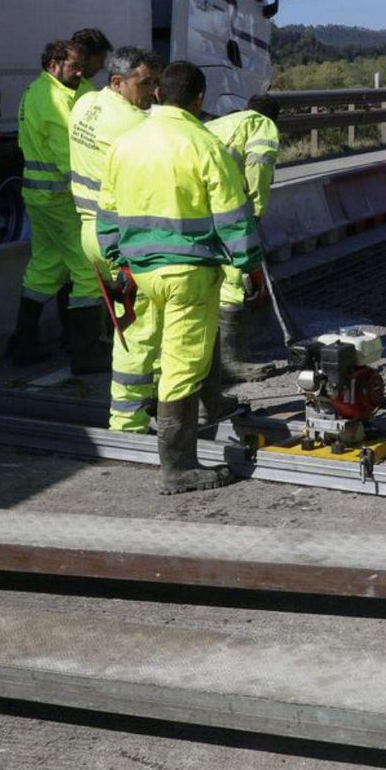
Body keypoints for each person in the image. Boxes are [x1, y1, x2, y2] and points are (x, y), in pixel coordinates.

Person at [97, 61, 265, 494]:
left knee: (147, 349)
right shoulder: (205, 145)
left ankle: (148, 429)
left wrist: (119, 260)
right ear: (199, 98)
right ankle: (177, 466)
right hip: (188, 274)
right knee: (182, 365)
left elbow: (107, 212)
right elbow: (233, 215)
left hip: (140, 271)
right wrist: (249, 265)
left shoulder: (126, 144)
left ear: (157, 94)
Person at [69, 47, 161, 431]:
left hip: (91, 230)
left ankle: (150, 397)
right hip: (121, 236)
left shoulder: (85, 104)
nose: (154, 93)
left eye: (156, 83)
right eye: (145, 84)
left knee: (135, 319)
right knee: (142, 328)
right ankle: (128, 418)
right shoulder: (133, 126)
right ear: (118, 82)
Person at [6, 39, 106, 371]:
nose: (81, 71)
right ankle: (87, 354)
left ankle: (24, 346)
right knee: (87, 270)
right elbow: (70, 154)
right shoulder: (51, 100)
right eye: (74, 66)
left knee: (45, 268)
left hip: (40, 198)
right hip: (62, 199)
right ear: (53, 66)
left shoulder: (39, 92)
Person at [206, 95, 282, 381]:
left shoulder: (223, 122)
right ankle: (230, 360)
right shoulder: (263, 125)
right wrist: (256, 210)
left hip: (199, 205)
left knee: (213, 275)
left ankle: (215, 356)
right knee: (233, 277)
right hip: (228, 207)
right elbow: (260, 165)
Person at [70, 27, 113, 99]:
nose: (102, 66)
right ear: (84, 57)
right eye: (100, 61)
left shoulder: (83, 84)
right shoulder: (78, 89)